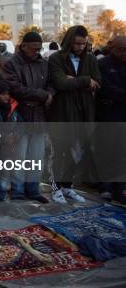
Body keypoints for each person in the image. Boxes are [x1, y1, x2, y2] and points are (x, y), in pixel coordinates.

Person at [49, 25, 101, 204]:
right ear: (70, 41)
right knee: (61, 152)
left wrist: (74, 81)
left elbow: (98, 83)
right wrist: (85, 81)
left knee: (77, 152)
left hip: (85, 112)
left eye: (84, 44)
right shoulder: (56, 59)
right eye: (77, 43)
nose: (80, 47)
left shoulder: (91, 59)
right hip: (63, 113)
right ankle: (55, 189)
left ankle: (67, 187)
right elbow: (60, 83)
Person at [2, 31, 53, 203]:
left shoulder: (43, 64)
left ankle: (33, 189)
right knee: (19, 157)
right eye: (34, 49)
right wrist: (43, 96)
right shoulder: (12, 64)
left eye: (39, 49)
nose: (37, 52)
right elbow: (16, 89)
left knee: (36, 156)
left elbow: (51, 85)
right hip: (21, 115)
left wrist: (49, 95)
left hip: (38, 115)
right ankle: (17, 191)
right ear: (24, 46)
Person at [96, 36, 126, 203]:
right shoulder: (103, 64)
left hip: (123, 115)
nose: (124, 53)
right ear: (112, 48)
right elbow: (105, 89)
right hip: (107, 115)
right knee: (107, 152)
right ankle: (105, 187)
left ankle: (121, 187)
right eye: (121, 49)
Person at [0, 79, 23, 203]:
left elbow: (21, 125)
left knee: (5, 174)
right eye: (3, 94)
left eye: (8, 93)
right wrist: (3, 137)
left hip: (7, 149)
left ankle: (1, 200)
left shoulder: (13, 107)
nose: (6, 96)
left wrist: (16, 136)